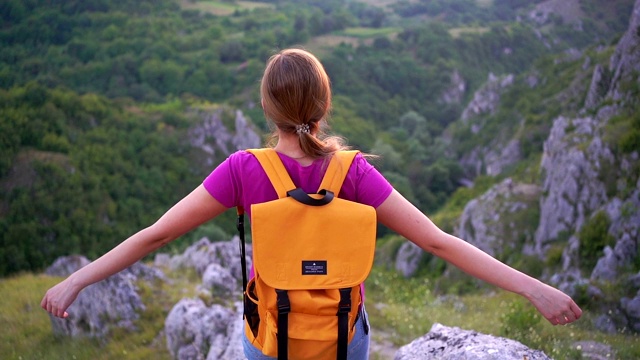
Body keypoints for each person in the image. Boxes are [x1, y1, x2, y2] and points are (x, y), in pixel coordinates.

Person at [42, 48, 582, 359]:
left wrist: (77, 280)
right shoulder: (355, 172)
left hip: (271, 337)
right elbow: (438, 241)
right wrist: (534, 288)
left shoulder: (242, 170)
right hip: (345, 335)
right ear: (325, 106)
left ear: (265, 106)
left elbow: (157, 236)